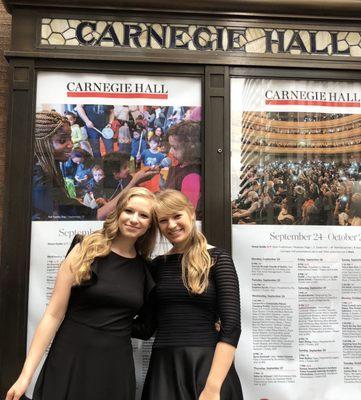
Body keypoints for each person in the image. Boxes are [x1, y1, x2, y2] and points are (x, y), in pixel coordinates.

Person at [6, 187, 158, 400]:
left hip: (115, 367)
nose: (134, 219)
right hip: (71, 357)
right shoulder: (85, 249)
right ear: (118, 213)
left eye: (144, 215)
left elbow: (148, 323)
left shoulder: (146, 270)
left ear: (151, 224)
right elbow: (53, 315)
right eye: (129, 211)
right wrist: (25, 376)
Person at [133, 189, 243, 400]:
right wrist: (95, 318)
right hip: (164, 369)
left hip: (208, 369)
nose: (172, 225)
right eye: (163, 220)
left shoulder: (218, 260)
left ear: (191, 213)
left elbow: (231, 328)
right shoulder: (157, 266)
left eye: (177, 216)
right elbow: (146, 327)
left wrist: (212, 387)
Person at [32, 111, 153, 221]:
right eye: (62, 141)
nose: (71, 144)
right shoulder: (40, 180)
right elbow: (95, 216)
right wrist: (134, 182)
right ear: (42, 144)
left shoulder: (47, 168)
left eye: (70, 138)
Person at [165, 120, 201, 217]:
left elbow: (185, 214)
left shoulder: (192, 177)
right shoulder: (178, 166)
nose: (171, 151)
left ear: (191, 148)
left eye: (175, 147)